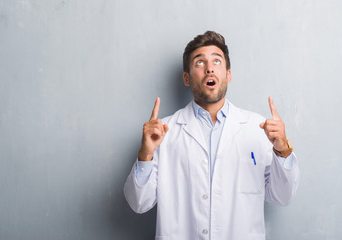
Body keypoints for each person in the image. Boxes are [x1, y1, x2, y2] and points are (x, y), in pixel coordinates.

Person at [124, 31, 299, 240]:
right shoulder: (163, 132)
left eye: (217, 61)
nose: (209, 68)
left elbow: (283, 196)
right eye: (199, 62)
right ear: (187, 78)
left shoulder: (258, 128)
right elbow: (138, 203)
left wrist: (282, 150)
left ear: (228, 74)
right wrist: (146, 155)